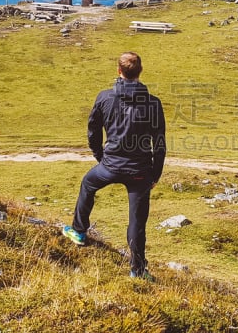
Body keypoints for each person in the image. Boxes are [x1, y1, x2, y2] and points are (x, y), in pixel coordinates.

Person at [63, 52, 166, 281]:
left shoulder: (104, 98)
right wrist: (155, 175)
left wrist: (101, 157)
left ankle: (79, 232)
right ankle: (137, 270)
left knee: (88, 183)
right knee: (137, 222)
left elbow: (92, 131)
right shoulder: (153, 103)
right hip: (140, 172)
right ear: (140, 72)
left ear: (119, 71)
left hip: (109, 165)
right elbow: (159, 143)